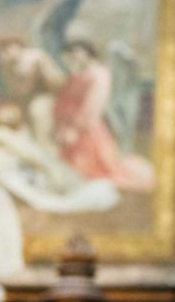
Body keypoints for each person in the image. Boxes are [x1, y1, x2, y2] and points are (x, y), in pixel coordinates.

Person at [53, 40, 154, 193]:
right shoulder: (77, 73)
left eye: (77, 53)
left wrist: (75, 128)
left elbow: (93, 107)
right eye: (71, 54)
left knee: (93, 171)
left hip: (86, 129)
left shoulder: (100, 73)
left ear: (87, 53)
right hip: (69, 126)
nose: (74, 57)